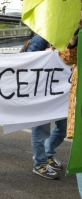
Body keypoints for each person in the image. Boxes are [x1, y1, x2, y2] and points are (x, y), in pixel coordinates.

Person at [26, 34, 66, 180]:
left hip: (61, 92)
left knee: (64, 128)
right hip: (42, 92)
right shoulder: (42, 37)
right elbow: (27, 60)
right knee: (41, 129)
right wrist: (45, 54)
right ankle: (40, 163)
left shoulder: (71, 37)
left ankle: (48, 152)